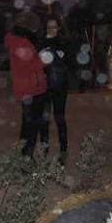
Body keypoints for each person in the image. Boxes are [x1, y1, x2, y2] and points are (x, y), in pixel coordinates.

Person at [5, 11, 48, 157]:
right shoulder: (21, 42)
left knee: (29, 126)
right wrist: (45, 59)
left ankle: (25, 157)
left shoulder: (21, 40)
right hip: (30, 90)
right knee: (30, 127)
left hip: (31, 88)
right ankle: (25, 158)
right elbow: (29, 65)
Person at [38, 18, 72, 164]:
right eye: (48, 27)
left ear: (58, 28)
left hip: (60, 86)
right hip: (44, 86)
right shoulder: (40, 42)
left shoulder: (64, 42)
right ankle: (44, 149)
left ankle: (63, 149)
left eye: (54, 27)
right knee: (44, 120)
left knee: (59, 118)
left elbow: (69, 62)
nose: (51, 29)